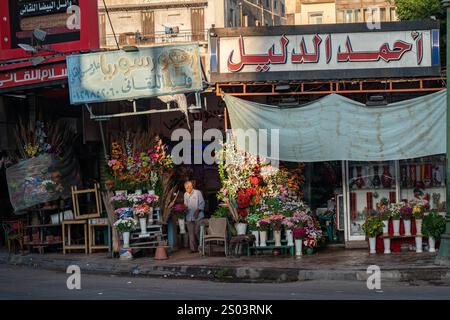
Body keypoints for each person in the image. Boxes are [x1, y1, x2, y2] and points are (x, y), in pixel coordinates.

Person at [184, 181, 205, 253]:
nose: (187, 190)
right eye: (186, 188)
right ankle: (193, 249)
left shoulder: (197, 193)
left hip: (198, 216)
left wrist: (198, 210)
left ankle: (202, 247)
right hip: (189, 216)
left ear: (191, 187)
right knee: (191, 233)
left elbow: (202, 203)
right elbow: (185, 204)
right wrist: (184, 209)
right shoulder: (185, 194)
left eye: (188, 188)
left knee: (197, 231)